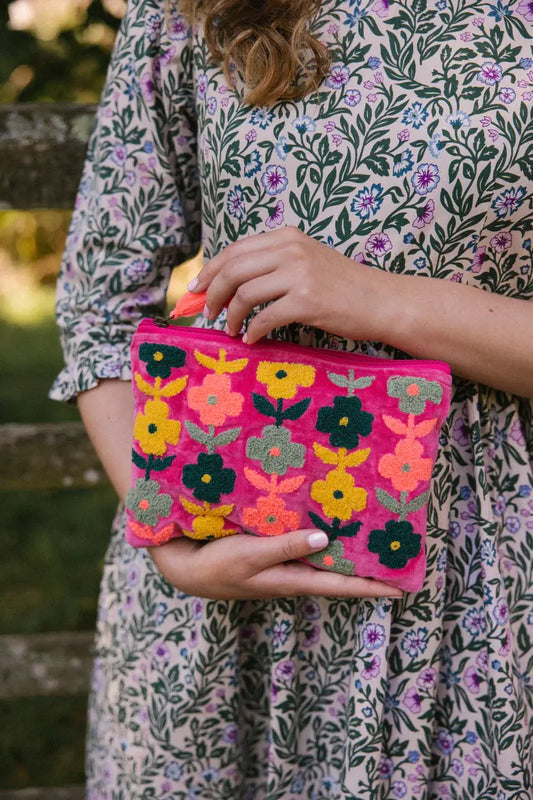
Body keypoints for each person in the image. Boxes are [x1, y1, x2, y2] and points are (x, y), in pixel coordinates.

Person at [51, 0, 533, 796]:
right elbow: (101, 303)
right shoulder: (185, 8)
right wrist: (170, 544)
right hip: (224, 585)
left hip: (487, 597)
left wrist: (380, 302)